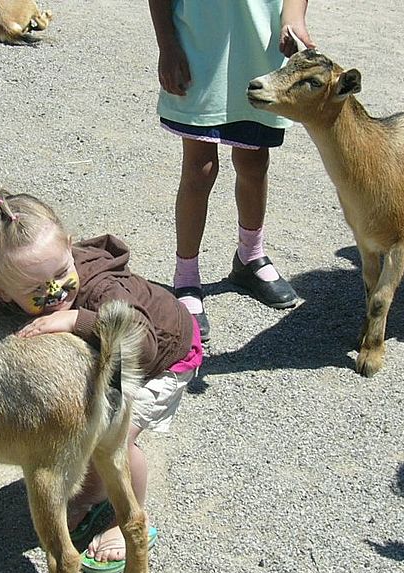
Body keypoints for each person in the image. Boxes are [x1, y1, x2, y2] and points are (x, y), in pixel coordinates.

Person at [0, 190, 204, 573]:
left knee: (117, 438)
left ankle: (124, 520)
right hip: (112, 356)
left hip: (163, 356)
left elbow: (140, 345)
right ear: (2, 289)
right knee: (87, 429)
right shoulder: (19, 285)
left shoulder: (102, 288)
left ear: (70, 245)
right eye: (34, 292)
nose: (56, 292)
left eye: (61, 273)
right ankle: (95, 494)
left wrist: (77, 320)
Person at [148, 0, 315, 341]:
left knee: (255, 160)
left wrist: (293, 16)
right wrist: (167, 44)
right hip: (198, 45)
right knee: (200, 168)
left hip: (260, 45)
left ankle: (250, 258)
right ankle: (186, 278)